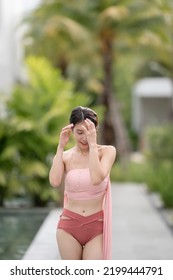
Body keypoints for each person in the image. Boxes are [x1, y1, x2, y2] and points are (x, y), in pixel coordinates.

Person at [49, 106, 116, 260]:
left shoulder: (106, 152)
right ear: (71, 131)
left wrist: (93, 146)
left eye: (89, 132)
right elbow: (54, 181)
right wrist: (60, 147)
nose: (84, 138)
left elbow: (96, 178)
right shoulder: (65, 156)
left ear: (95, 131)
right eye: (79, 132)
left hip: (96, 226)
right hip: (68, 226)